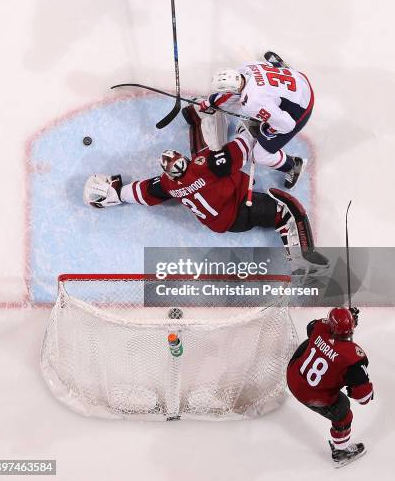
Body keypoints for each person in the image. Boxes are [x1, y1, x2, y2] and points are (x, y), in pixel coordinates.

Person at [83, 109, 328, 274]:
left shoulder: (168, 184)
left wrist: (116, 194)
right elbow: (243, 147)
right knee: (288, 208)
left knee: (211, 160)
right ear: (185, 164)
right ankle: (304, 260)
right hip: (240, 208)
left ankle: (197, 120)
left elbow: (143, 191)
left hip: (221, 221)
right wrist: (249, 129)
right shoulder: (204, 167)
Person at [199, 51, 314, 189]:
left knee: (261, 154)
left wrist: (266, 130)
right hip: (299, 79)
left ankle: (293, 165)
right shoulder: (247, 67)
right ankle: (283, 68)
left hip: (302, 107)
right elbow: (232, 93)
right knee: (270, 72)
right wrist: (211, 103)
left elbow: (287, 125)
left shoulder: (253, 103)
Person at [287, 307, 373, 468]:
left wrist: (341, 326)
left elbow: (311, 328)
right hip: (312, 397)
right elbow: (364, 398)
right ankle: (341, 452)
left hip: (292, 376)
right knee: (343, 411)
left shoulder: (320, 327)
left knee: (310, 342)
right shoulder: (353, 357)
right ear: (351, 329)